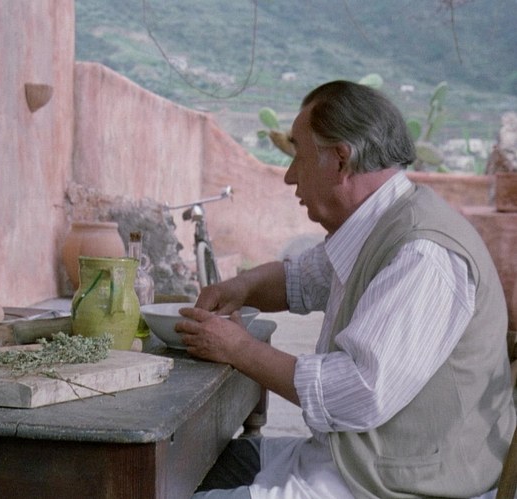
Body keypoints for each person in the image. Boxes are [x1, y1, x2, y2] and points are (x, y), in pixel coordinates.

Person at [178, 80, 515, 498]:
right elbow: (301, 279)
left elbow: (358, 391)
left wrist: (238, 348)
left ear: (341, 160)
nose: (289, 176)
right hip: (348, 460)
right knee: (184, 467)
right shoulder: (380, 221)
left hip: (392, 486)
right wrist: (240, 287)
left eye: (299, 156)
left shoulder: (422, 253)